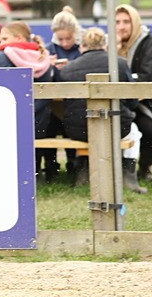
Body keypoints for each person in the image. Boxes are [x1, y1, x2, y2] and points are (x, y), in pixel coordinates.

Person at [58, 27, 143, 192]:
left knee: (85, 128)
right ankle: (128, 176)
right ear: (105, 46)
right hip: (116, 126)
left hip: (77, 130)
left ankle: (83, 172)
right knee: (135, 132)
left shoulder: (68, 69)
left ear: (82, 46)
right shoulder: (119, 63)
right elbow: (132, 100)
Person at [0, 21, 61, 179]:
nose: (2, 43)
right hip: (40, 122)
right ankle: (35, 174)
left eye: (4, 39)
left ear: (18, 38)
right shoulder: (44, 59)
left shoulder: (3, 57)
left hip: (8, 122)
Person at [116, 4, 152, 181]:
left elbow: (150, 75)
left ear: (135, 22)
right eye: (117, 22)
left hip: (147, 102)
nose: (121, 26)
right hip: (116, 102)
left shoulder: (149, 43)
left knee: (149, 128)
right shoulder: (108, 44)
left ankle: (144, 168)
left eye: (126, 21)